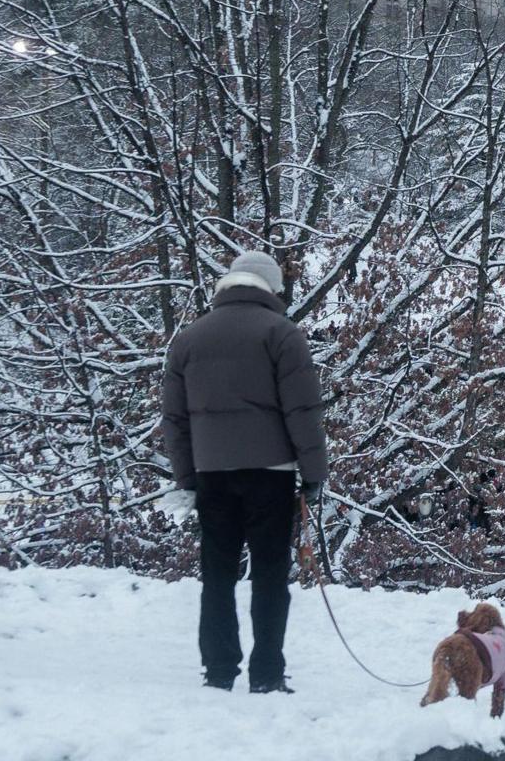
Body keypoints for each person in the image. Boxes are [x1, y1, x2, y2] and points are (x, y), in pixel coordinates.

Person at [160, 251, 330, 694]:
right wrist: (313, 474)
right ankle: (267, 674)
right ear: (270, 289)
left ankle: (218, 671)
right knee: (270, 575)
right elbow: (303, 412)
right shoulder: (282, 334)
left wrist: (188, 477)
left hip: (212, 472)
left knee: (217, 574)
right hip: (271, 473)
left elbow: (175, 419)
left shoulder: (189, 339)